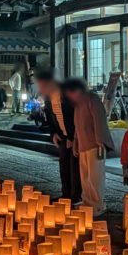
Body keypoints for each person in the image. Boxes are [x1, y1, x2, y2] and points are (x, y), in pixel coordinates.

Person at [62, 78, 113, 216]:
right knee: (85, 177)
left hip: (94, 144)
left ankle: (97, 204)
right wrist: (76, 143)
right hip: (83, 145)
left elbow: (99, 119)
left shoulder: (92, 99)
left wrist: (100, 139)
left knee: (95, 176)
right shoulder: (78, 104)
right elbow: (77, 126)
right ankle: (87, 201)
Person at [36, 70, 81, 205]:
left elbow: (75, 116)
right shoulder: (48, 98)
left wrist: (72, 137)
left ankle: (76, 195)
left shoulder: (67, 94)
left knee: (74, 166)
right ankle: (66, 193)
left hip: (74, 135)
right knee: (64, 165)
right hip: (62, 135)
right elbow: (50, 117)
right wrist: (54, 133)